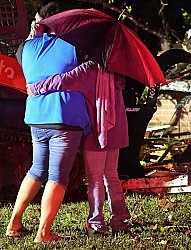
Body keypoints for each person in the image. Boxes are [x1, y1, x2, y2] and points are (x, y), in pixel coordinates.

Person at [5, 2, 91, 242]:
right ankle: (43, 232)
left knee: (37, 169)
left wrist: (36, 31)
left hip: (36, 117)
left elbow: (29, 63)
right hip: (64, 117)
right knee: (58, 177)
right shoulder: (75, 46)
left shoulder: (25, 48)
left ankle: (14, 223)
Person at [28, 60, 132, 237]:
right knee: (111, 175)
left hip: (96, 131)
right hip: (115, 131)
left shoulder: (88, 69)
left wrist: (35, 88)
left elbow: (61, 80)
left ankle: (97, 224)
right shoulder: (117, 70)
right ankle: (120, 221)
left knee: (95, 179)